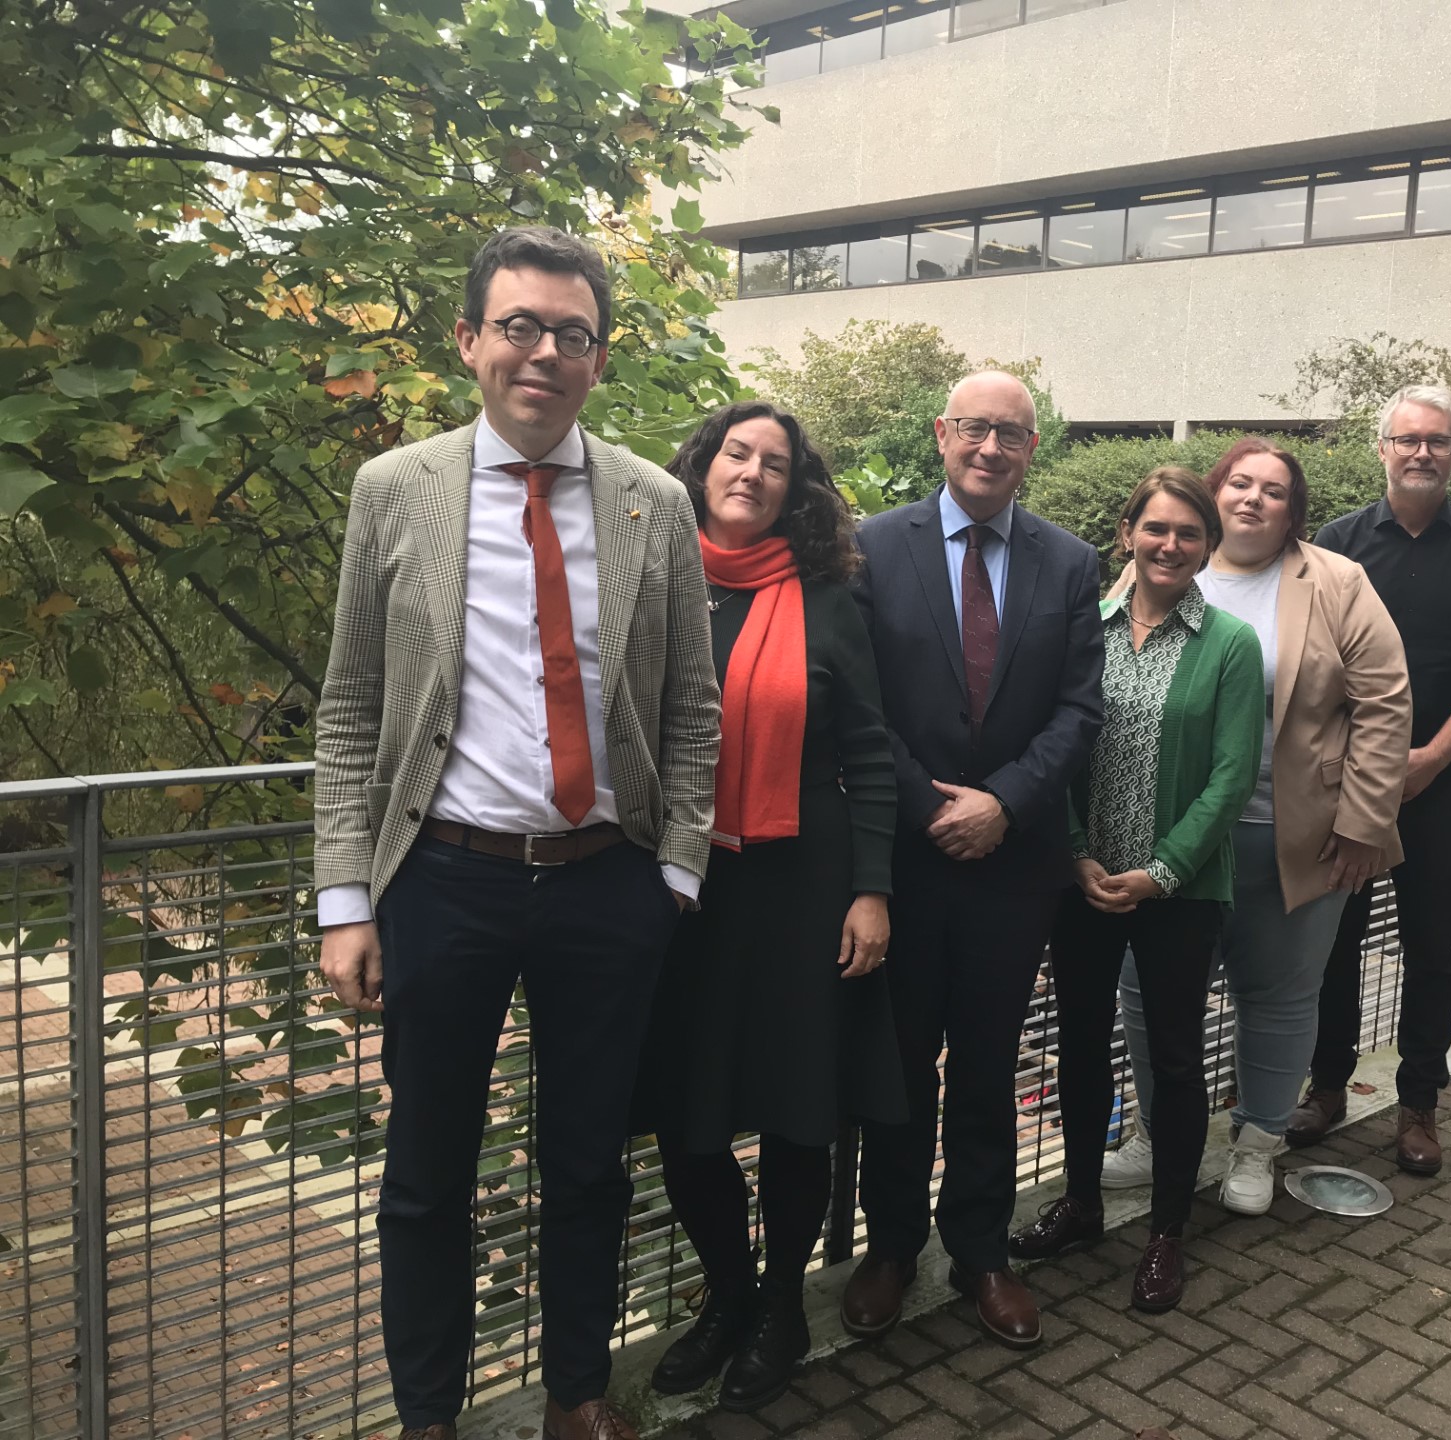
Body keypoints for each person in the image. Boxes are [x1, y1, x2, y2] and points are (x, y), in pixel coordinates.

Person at [313, 226, 719, 1440]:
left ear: (599, 357)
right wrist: (345, 900)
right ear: (470, 341)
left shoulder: (655, 503)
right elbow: (350, 706)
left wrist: (677, 874)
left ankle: (576, 1394)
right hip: (444, 880)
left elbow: (692, 708)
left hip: (609, 885)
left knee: (589, 1161)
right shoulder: (395, 490)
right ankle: (429, 1416)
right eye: (521, 327)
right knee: (426, 1171)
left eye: (572, 334)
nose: (545, 352)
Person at [633, 402, 904, 1413]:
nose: (751, 472)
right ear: (701, 467)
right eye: (735, 453)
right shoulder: (654, 584)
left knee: (799, 1111)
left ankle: (783, 1304)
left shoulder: (830, 602)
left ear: (796, 490)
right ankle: (730, 1297)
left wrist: (872, 890)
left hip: (804, 889)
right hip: (679, 890)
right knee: (686, 1116)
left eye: (775, 463)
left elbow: (868, 753)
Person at [841, 370, 1104, 1349]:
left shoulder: (1069, 563)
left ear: (1033, 449)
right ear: (942, 433)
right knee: (900, 1065)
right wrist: (933, 805)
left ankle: (981, 1251)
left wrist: (1005, 803)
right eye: (975, 429)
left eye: (1012, 434)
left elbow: (1079, 710)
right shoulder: (872, 548)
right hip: (903, 864)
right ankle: (891, 1246)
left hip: (1014, 865)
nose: (992, 448)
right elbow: (857, 705)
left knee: (990, 1065)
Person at [1102, 440, 1411, 1216]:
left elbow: (1385, 703)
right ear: (1214, 495)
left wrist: (1364, 822)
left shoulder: (1336, 581)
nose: (1253, 498)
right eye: (1239, 483)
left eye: (1274, 490)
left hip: (1289, 833)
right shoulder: (1161, 563)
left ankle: (1257, 1144)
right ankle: (1156, 1135)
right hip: (1166, 838)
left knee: (1278, 995)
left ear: (1293, 510)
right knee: (1146, 992)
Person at [1007, 466, 1263, 1312]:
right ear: (1127, 535)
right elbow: (1055, 746)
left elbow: (1232, 777)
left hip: (1179, 893)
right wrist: (1076, 855)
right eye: (1156, 528)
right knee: (1081, 1045)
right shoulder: (1086, 630)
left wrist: (1161, 872)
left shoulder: (1230, 644)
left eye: (1189, 533)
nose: (1170, 545)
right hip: (1083, 884)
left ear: (1208, 546)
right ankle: (1081, 1204)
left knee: (1177, 1061)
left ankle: (1165, 1234)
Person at [1290, 384, 1451, 1176]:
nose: (1423, 452)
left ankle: (1419, 1103)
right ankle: (1327, 1086)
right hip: (1349, 784)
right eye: (1409, 439)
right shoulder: (1339, 543)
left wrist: (1429, 761)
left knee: (1431, 950)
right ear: (1382, 448)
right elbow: (1315, 665)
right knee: (1335, 943)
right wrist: (1363, 767)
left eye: (1438, 440)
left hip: (1438, 786)